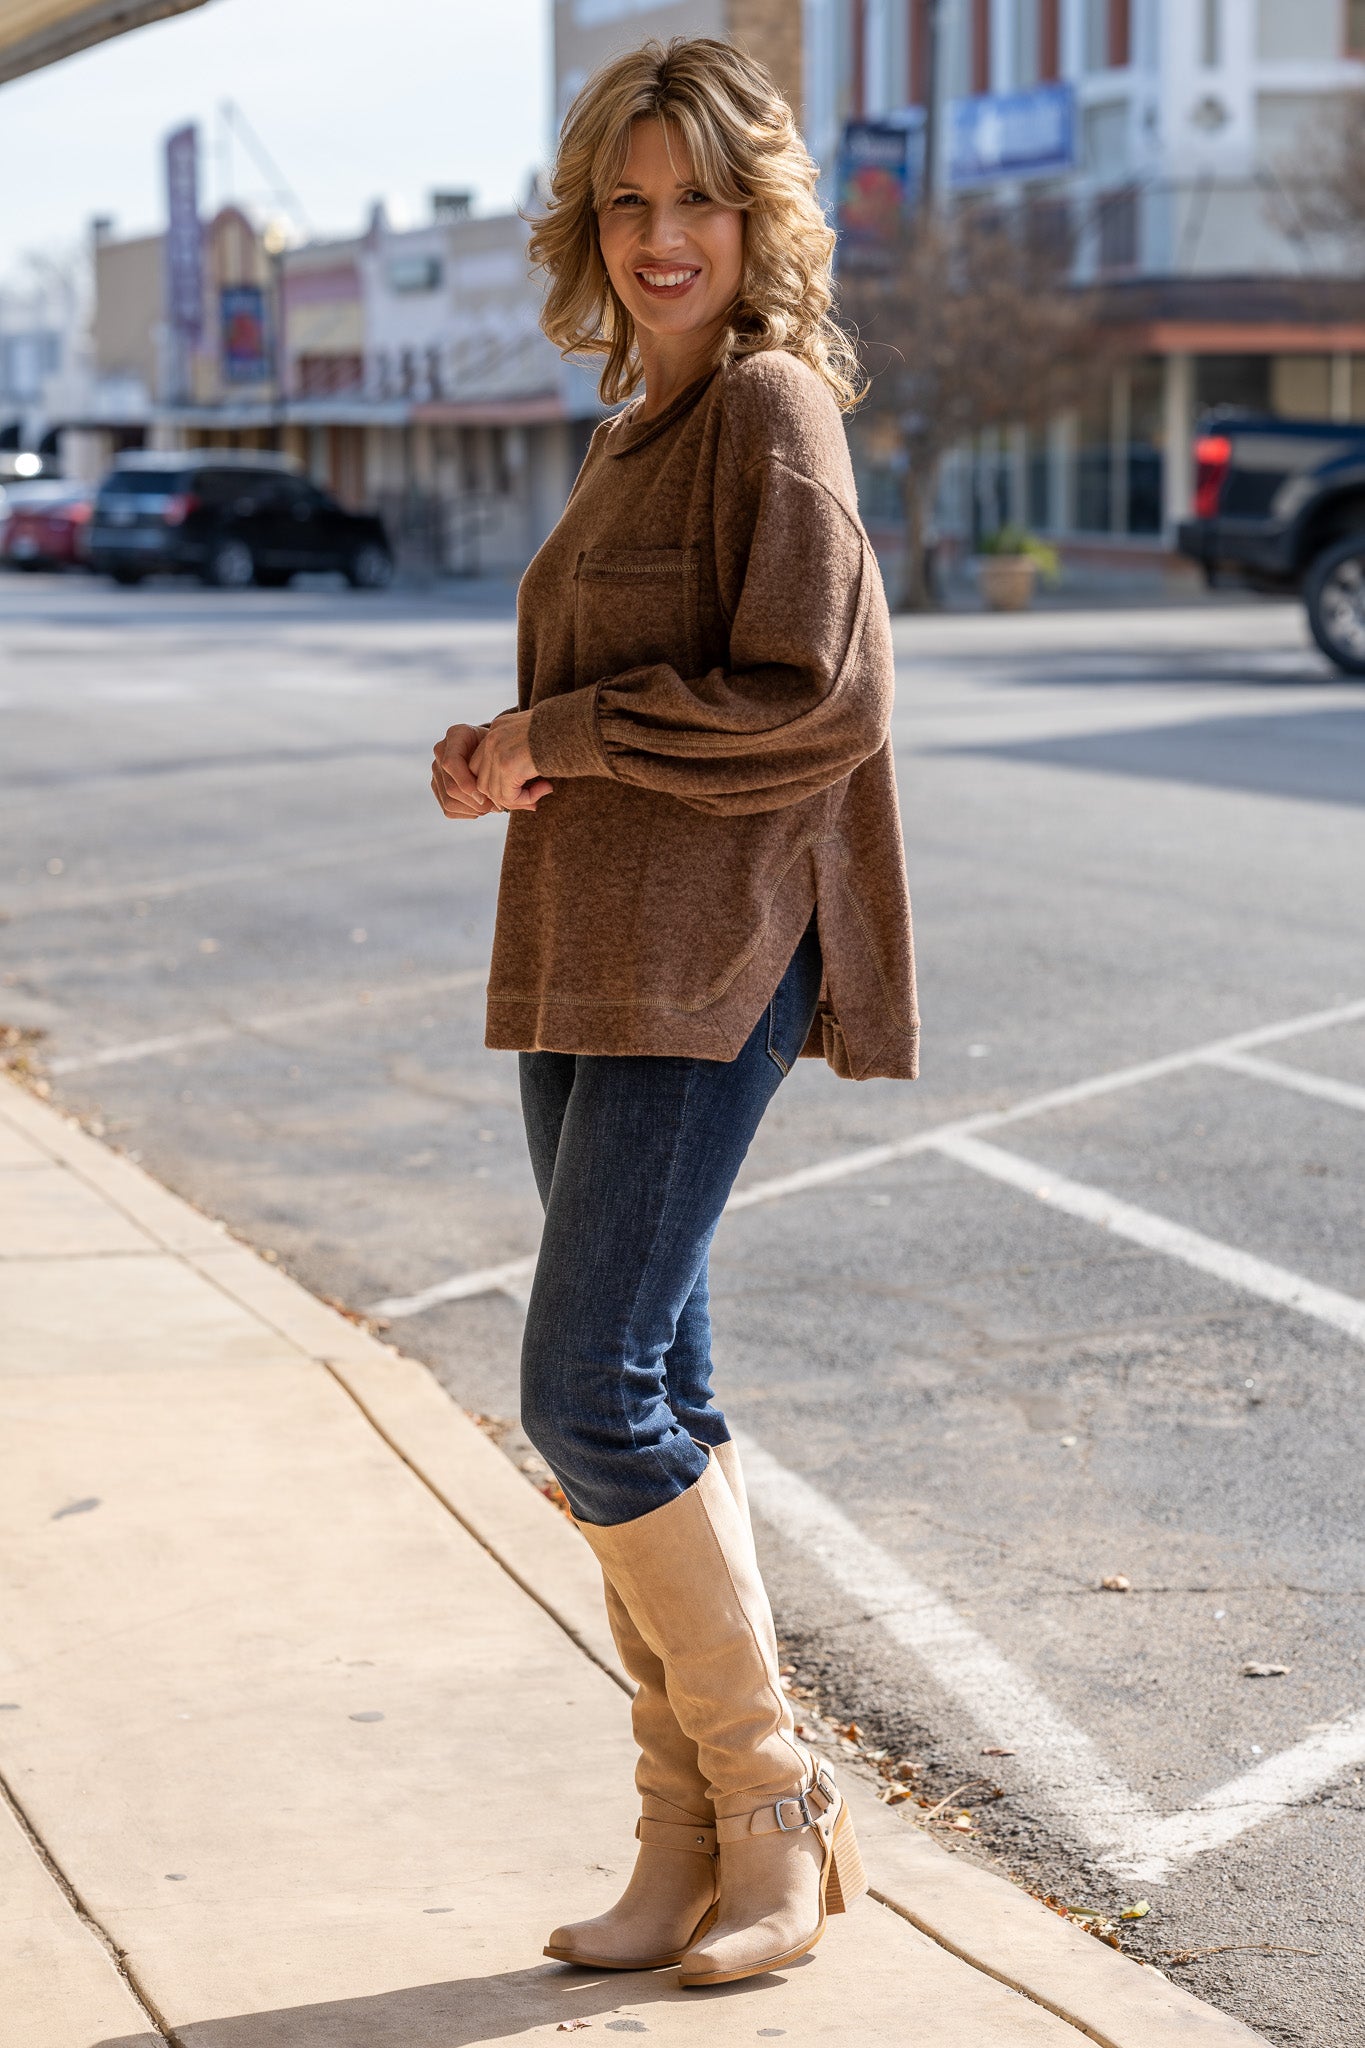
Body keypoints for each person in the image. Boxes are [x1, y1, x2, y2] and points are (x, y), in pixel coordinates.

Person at [430, 35, 917, 1990]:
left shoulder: (769, 409)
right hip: (585, 946)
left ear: (750, 215)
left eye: (689, 198)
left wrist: (558, 728)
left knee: (586, 1392)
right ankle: (687, 1838)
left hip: (701, 962)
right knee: (660, 1398)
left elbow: (821, 700)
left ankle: (779, 1806)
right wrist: (498, 753)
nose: (654, 235)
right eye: (623, 201)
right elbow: (633, 697)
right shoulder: (640, 417)